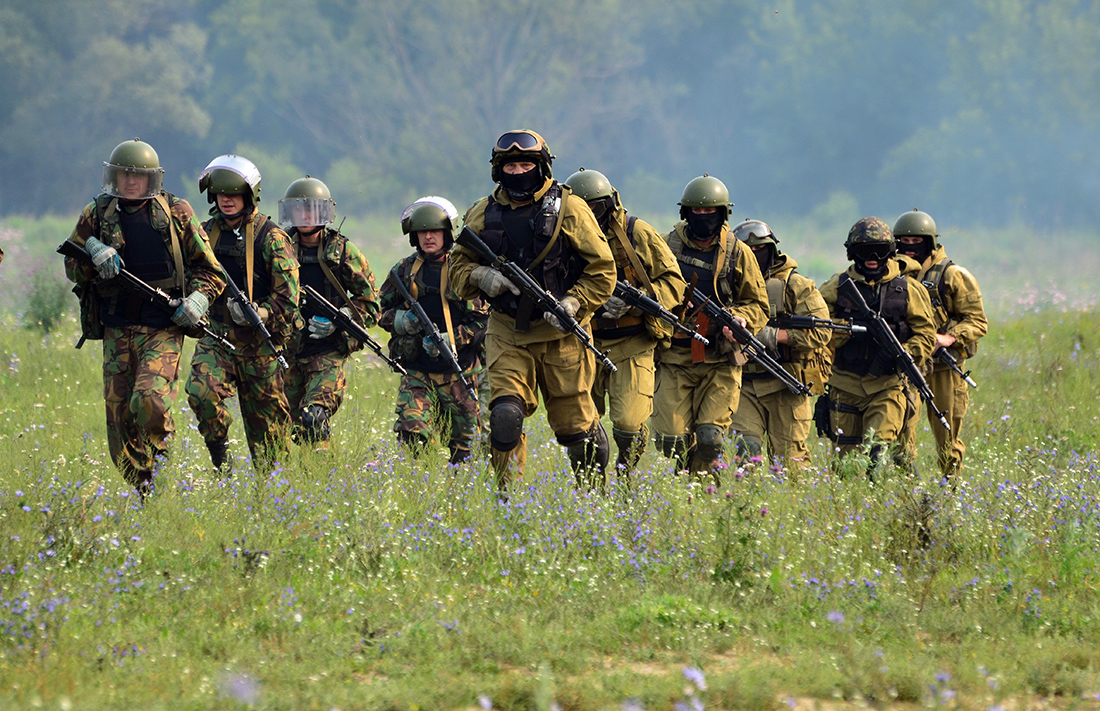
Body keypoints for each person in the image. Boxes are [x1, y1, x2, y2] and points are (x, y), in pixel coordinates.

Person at [448, 129, 616, 491]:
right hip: (508, 331)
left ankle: (594, 499)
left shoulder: (570, 208)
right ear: (498, 170)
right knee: (505, 418)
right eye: (511, 166)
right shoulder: (482, 211)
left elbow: (603, 270)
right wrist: (482, 275)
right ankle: (510, 503)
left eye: (526, 164)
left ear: (541, 167)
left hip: (561, 338)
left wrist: (573, 302)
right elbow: (456, 269)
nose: (519, 172)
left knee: (577, 434)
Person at [62, 138, 224, 495]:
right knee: (119, 419)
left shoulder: (177, 212)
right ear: (113, 177)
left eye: (137, 177)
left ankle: (162, 458)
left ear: (152, 179)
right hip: (116, 327)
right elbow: (71, 265)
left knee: (149, 398)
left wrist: (197, 300)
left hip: (163, 326)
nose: (130, 183)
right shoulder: (97, 213)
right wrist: (92, 252)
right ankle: (144, 491)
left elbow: (211, 272)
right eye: (123, 175)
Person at [563, 168, 686, 476]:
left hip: (633, 342)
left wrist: (639, 297)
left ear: (610, 204)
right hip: (583, 342)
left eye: (596, 207)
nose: (590, 214)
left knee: (629, 427)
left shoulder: (637, 234)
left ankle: (626, 475)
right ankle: (589, 487)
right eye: (582, 207)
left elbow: (674, 282)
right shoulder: (559, 237)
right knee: (580, 430)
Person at [185, 154, 301, 472]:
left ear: (248, 196)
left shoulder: (272, 238)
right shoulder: (205, 234)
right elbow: (190, 274)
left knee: (271, 451)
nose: (226, 200)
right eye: (221, 194)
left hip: (262, 347)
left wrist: (260, 314)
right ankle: (221, 455)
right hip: (219, 337)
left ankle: (274, 503)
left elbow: (288, 301)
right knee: (201, 392)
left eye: (234, 194)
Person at [652, 175, 768, 479]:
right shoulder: (666, 246)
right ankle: (687, 476)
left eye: (710, 212)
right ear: (685, 213)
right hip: (675, 358)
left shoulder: (738, 252)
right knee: (670, 442)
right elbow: (647, 286)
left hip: (719, 360)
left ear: (723, 213)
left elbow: (759, 304)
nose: (703, 218)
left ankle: (704, 490)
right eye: (696, 212)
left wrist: (741, 318)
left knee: (710, 439)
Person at [817, 217, 937, 473]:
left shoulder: (908, 289)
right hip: (844, 386)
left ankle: (907, 506)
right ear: (852, 254)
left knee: (878, 456)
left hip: (889, 385)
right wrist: (849, 330)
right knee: (845, 469)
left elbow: (926, 334)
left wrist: (904, 353)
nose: (872, 258)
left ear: (891, 253)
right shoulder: (836, 287)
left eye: (880, 251)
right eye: (864, 251)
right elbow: (816, 329)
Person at [379, 198, 488, 463]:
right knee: (411, 433)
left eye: (435, 231)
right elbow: (378, 311)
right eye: (422, 231)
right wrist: (400, 321)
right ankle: (419, 483)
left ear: (447, 233)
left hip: (460, 372)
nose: (429, 237)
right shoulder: (403, 271)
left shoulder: (462, 270)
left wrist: (452, 338)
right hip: (417, 370)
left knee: (466, 451)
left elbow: (484, 321)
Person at [280, 176, 380, 448]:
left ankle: (325, 471)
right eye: (299, 209)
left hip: (328, 352)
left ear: (324, 213)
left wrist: (343, 318)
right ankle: (300, 480)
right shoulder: (279, 247)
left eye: (312, 209)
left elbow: (371, 302)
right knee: (283, 429)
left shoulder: (344, 251)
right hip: (288, 351)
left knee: (314, 417)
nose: (305, 215)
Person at [728, 219, 831, 472]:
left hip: (786, 384)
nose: (753, 256)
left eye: (760, 250)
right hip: (744, 384)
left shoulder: (797, 286)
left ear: (772, 251)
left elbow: (822, 332)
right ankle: (747, 508)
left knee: (791, 466)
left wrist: (775, 336)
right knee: (745, 454)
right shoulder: (728, 284)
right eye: (746, 251)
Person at [894, 209, 987, 478]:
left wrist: (949, 337)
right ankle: (906, 495)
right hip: (909, 364)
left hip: (944, 368)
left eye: (917, 242)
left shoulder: (953, 275)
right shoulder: (894, 276)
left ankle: (950, 493)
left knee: (947, 443)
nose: (910, 248)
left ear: (931, 242)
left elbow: (978, 321)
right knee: (901, 436)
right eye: (904, 242)